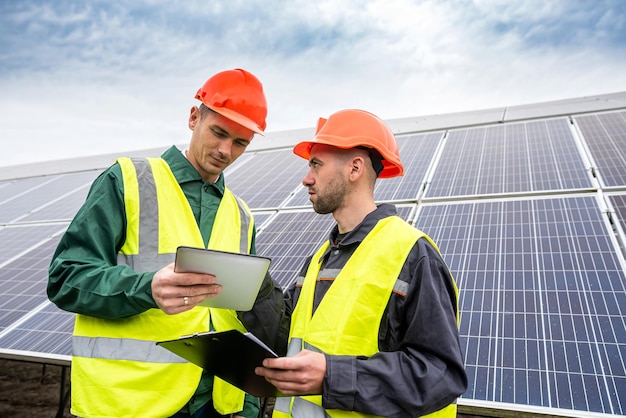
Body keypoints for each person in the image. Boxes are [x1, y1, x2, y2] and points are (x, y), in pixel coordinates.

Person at [48, 68, 272, 418]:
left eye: (240, 142)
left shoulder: (242, 215)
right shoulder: (127, 180)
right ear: (194, 117)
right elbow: (65, 279)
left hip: (217, 406)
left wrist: (245, 404)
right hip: (131, 402)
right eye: (218, 133)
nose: (225, 151)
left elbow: (239, 316)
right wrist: (145, 288)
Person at [250, 109, 468, 417]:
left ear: (354, 169)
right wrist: (247, 288)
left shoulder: (413, 255)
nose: (306, 178)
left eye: (316, 164)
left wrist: (331, 376)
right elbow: (289, 335)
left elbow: (440, 373)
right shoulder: (322, 255)